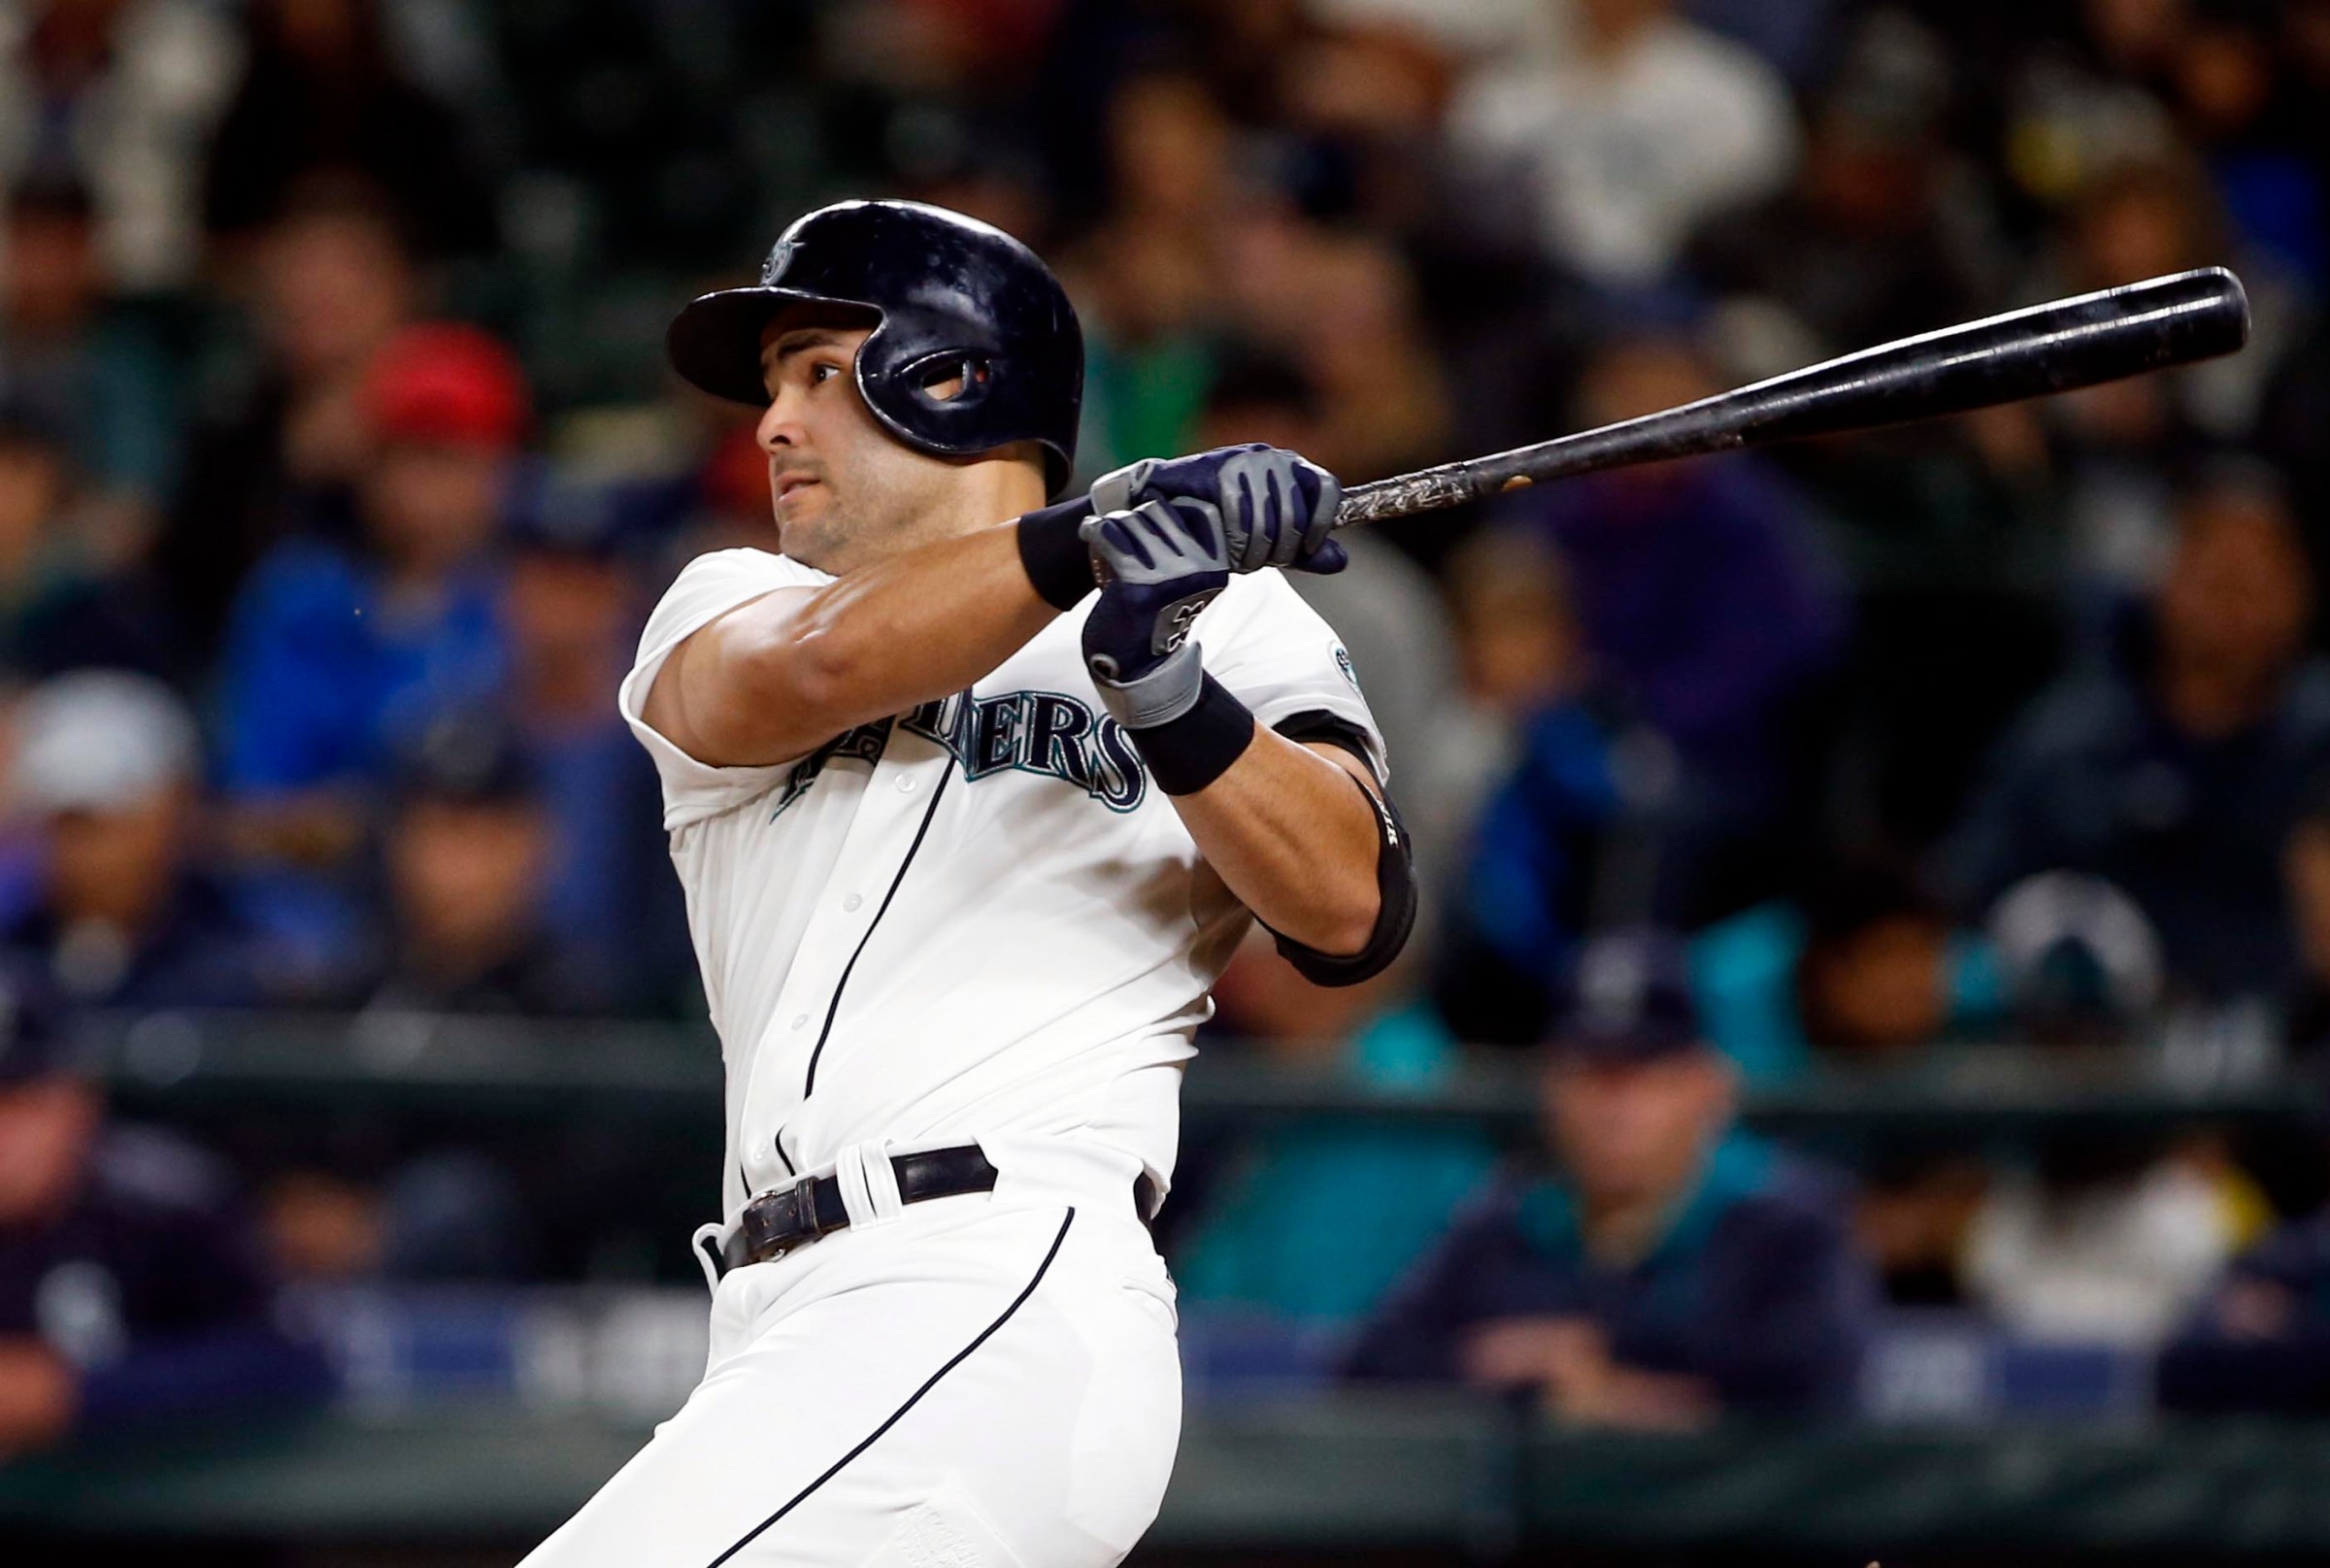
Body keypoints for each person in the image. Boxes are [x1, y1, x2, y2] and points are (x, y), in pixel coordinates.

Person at [521, 200, 1412, 1567]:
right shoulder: (727, 599)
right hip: (785, 1308)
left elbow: (1351, 907)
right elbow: (809, 671)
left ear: (952, 376)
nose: (771, 423)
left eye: (817, 371)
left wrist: (1170, 693)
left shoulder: (1226, 616)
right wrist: (1089, 546)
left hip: (992, 1275)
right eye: (773, 386)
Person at [1345, 930, 1873, 1425]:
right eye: (1592, 1076)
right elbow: (1369, 1366)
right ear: (1550, 1088)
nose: (1616, 1110)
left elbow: (1816, 1392)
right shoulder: (1505, 1221)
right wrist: (1505, 1364)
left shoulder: (1785, 1225)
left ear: (1707, 1087)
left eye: (1643, 1077)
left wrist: (1614, 1398)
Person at [1946, 466, 2330, 1002]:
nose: (2236, 611)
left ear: (2301, 595)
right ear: (2164, 583)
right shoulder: (2068, 745)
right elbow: (1969, 900)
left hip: (2288, 1056)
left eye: (2259, 583)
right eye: (2217, 582)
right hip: (2096, 1057)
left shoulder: (2316, 744)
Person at [0, 969, 332, 1457]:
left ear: (79, 1102)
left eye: (19, 1104)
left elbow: (292, 1359)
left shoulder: (162, 1202)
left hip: (139, 1518)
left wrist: (78, 1392)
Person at [1, 671, 282, 1008]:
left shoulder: (243, 968)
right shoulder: (17, 964)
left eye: (99, 826)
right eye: (61, 827)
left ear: (168, 817)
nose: (79, 855)